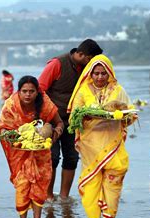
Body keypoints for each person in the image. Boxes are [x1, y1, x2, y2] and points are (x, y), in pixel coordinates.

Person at [67, 55, 137, 218]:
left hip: (113, 146)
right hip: (90, 148)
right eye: (96, 73)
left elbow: (131, 114)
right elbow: (73, 119)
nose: (99, 77)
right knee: (91, 187)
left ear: (110, 74)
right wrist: (87, 117)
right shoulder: (83, 91)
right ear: (90, 74)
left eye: (103, 73)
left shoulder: (118, 90)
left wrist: (121, 116)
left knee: (113, 183)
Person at [38, 38, 103, 201]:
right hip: (51, 120)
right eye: (89, 59)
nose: (91, 64)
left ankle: (65, 197)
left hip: (73, 120)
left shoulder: (87, 69)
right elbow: (40, 89)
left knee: (72, 157)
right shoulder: (57, 64)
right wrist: (48, 115)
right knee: (52, 158)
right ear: (80, 54)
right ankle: (48, 196)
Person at [0, 75, 64, 218]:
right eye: (24, 91)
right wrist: (10, 136)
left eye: (31, 91)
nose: (28, 95)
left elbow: (59, 122)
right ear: (19, 92)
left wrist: (56, 132)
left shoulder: (45, 104)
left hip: (41, 152)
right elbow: (1, 128)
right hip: (19, 152)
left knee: (40, 185)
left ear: (37, 92)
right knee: (22, 186)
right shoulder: (11, 105)